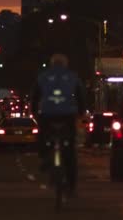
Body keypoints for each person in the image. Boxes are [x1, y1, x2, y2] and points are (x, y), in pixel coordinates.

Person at [32, 53, 86, 194]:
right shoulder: (73, 76)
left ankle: (44, 157)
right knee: (70, 151)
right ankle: (71, 186)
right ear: (65, 64)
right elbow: (81, 97)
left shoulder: (43, 76)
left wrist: (35, 113)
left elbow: (35, 97)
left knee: (43, 137)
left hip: (47, 115)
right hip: (68, 115)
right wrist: (80, 113)